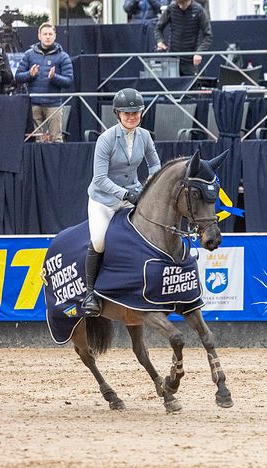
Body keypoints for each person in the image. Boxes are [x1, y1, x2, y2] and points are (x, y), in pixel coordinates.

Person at [81, 88, 162, 316]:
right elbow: (99, 178)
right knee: (99, 241)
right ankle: (90, 293)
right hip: (104, 199)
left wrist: (148, 186)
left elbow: (155, 165)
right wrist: (125, 195)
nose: (131, 117)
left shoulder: (144, 136)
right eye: (127, 113)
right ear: (118, 114)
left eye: (135, 112)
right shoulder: (105, 139)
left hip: (133, 193)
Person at [15, 23, 74, 142]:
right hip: (34, 105)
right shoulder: (29, 54)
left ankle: (57, 161)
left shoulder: (63, 57)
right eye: (45, 34)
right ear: (39, 36)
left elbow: (69, 81)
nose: (47, 37)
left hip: (54, 105)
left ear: (55, 36)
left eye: (50, 34)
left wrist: (54, 77)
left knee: (56, 140)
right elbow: (17, 77)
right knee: (37, 141)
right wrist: (29, 75)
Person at [154, 0, 213, 77]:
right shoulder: (171, 8)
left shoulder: (199, 10)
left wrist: (199, 52)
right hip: (172, 59)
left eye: (183, 4)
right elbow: (158, 28)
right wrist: (160, 41)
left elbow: (208, 35)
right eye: (178, 4)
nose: (180, 6)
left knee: (191, 86)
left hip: (190, 60)